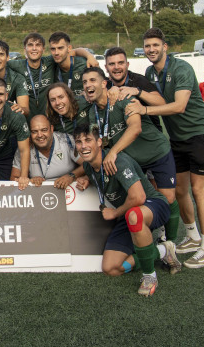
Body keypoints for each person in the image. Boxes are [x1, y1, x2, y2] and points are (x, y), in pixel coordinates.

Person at [125, 28, 204, 269]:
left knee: (199, 191)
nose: (151, 50)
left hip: (199, 134)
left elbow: (178, 106)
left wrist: (143, 109)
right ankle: (192, 235)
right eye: (147, 46)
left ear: (165, 46)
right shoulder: (148, 72)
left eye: (155, 45)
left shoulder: (181, 68)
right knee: (180, 191)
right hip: (176, 139)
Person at [73, 125, 182, 296]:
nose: (83, 146)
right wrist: (86, 180)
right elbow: (98, 174)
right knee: (111, 268)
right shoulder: (88, 167)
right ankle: (162, 251)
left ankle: (149, 276)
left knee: (135, 215)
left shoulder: (117, 161)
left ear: (99, 142)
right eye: (79, 142)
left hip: (152, 204)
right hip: (129, 214)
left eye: (88, 140)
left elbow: (139, 198)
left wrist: (115, 213)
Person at [79, 67, 180, 243]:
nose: (88, 85)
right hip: (133, 160)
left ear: (104, 83)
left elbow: (135, 128)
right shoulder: (92, 113)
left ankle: (170, 241)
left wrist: (113, 152)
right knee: (142, 199)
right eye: (85, 82)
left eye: (93, 80)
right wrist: (90, 174)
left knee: (168, 197)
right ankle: (148, 238)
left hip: (155, 151)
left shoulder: (122, 98)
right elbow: (98, 143)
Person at [105, 47, 166, 131]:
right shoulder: (105, 84)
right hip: (124, 134)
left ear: (127, 65)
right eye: (111, 64)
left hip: (149, 136)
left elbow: (162, 103)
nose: (116, 67)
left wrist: (138, 91)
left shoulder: (139, 80)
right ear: (106, 67)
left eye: (120, 63)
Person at [11, 115, 80, 188]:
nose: (40, 135)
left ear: (52, 129)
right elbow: (13, 179)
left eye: (44, 130)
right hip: (39, 194)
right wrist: (30, 181)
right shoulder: (25, 148)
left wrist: (71, 176)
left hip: (71, 192)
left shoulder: (66, 140)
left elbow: (87, 165)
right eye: (34, 131)